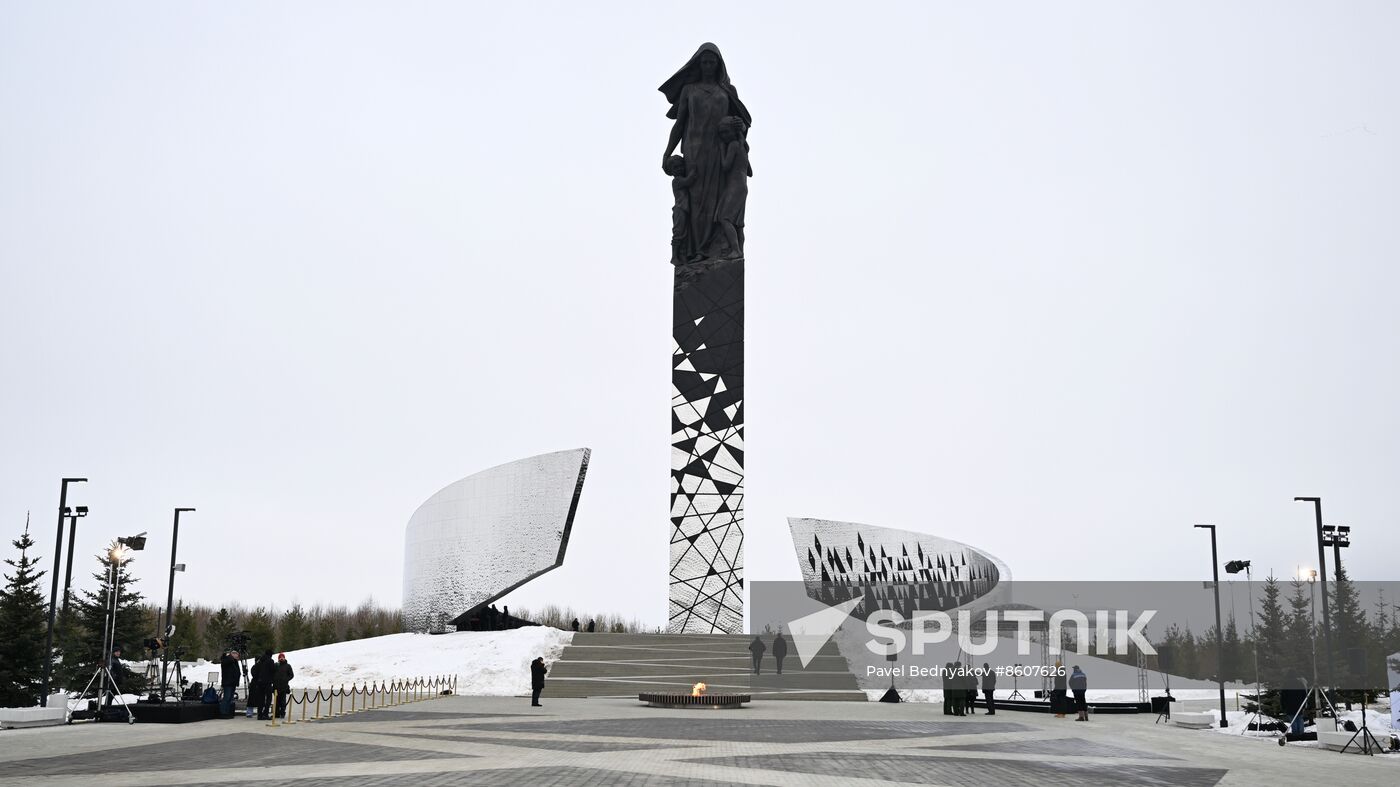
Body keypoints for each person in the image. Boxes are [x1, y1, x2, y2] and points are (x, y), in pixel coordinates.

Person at [659, 43, 753, 262]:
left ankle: (709, 248)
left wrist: (739, 126)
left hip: (718, 153)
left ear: (718, 65)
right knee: (696, 201)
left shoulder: (727, 92)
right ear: (699, 64)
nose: (708, 66)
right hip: (693, 150)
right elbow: (679, 124)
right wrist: (667, 152)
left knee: (713, 202)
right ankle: (695, 251)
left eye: (712, 62)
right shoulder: (689, 90)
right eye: (704, 62)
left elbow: (742, 125)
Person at [715, 116, 749, 260]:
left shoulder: (733, 145)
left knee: (724, 218)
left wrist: (722, 149)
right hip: (742, 186)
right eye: (721, 134)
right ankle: (739, 250)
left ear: (733, 132)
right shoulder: (743, 147)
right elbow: (750, 172)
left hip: (735, 186)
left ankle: (736, 250)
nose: (723, 136)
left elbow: (726, 165)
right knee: (738, 223)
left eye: (725, 133)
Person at [664, 155, 696, 265]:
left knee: (685, 233)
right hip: (680, 210)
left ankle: (683, 256)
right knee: (679, 233)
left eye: (681, 166)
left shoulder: (680, 179)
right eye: (676, 168)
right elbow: (689, 180)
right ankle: (674, 256)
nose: (679, 169)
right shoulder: (676, 181)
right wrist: (694, 168)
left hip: (685, 210)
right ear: (672, 171)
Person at [249, 650, 274, 720]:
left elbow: (255, 670)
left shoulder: (260, 661)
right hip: (267, 683)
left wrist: (258, 678)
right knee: (269, 698)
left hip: (260, 683)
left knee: (261, 699)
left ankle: (259, 715)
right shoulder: (270, 661)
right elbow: (273, 671)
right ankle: (265, 713)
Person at [219, 650, 241, 718]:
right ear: (233, 654)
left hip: (232, 682)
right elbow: (226, 663)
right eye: (237, 654)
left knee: (230, 698)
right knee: (227, 697)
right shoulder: (227, 660)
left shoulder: (234, 662)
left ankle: (228, 712)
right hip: (228, 682)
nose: (238, 656)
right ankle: (223, 712)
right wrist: (230, 657)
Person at [273, 653, 294, 719]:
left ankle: (282, 713)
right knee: (276, 701)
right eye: (280, 657)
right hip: (276, 686)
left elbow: (291, 675)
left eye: (282, 657)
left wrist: (286, 679)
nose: (281, 658)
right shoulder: (276, 665)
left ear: (284, 658)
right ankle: (276, 713)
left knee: (283, 701)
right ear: (278, 658)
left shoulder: (288, 666)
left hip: (284, 686)